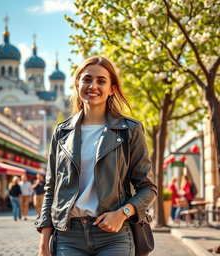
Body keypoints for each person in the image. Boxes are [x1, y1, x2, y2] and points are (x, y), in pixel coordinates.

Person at [35, 56, 157, 256]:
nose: (93, 86)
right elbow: (52, 189)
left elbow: (148, 188)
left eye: (101, 81)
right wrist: (43, 244)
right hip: (68, 236)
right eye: (87, 79)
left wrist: (122, 213)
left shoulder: (130, 130)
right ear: (77, 84)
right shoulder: (61, 132)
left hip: (113, 236)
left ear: (112, 89)